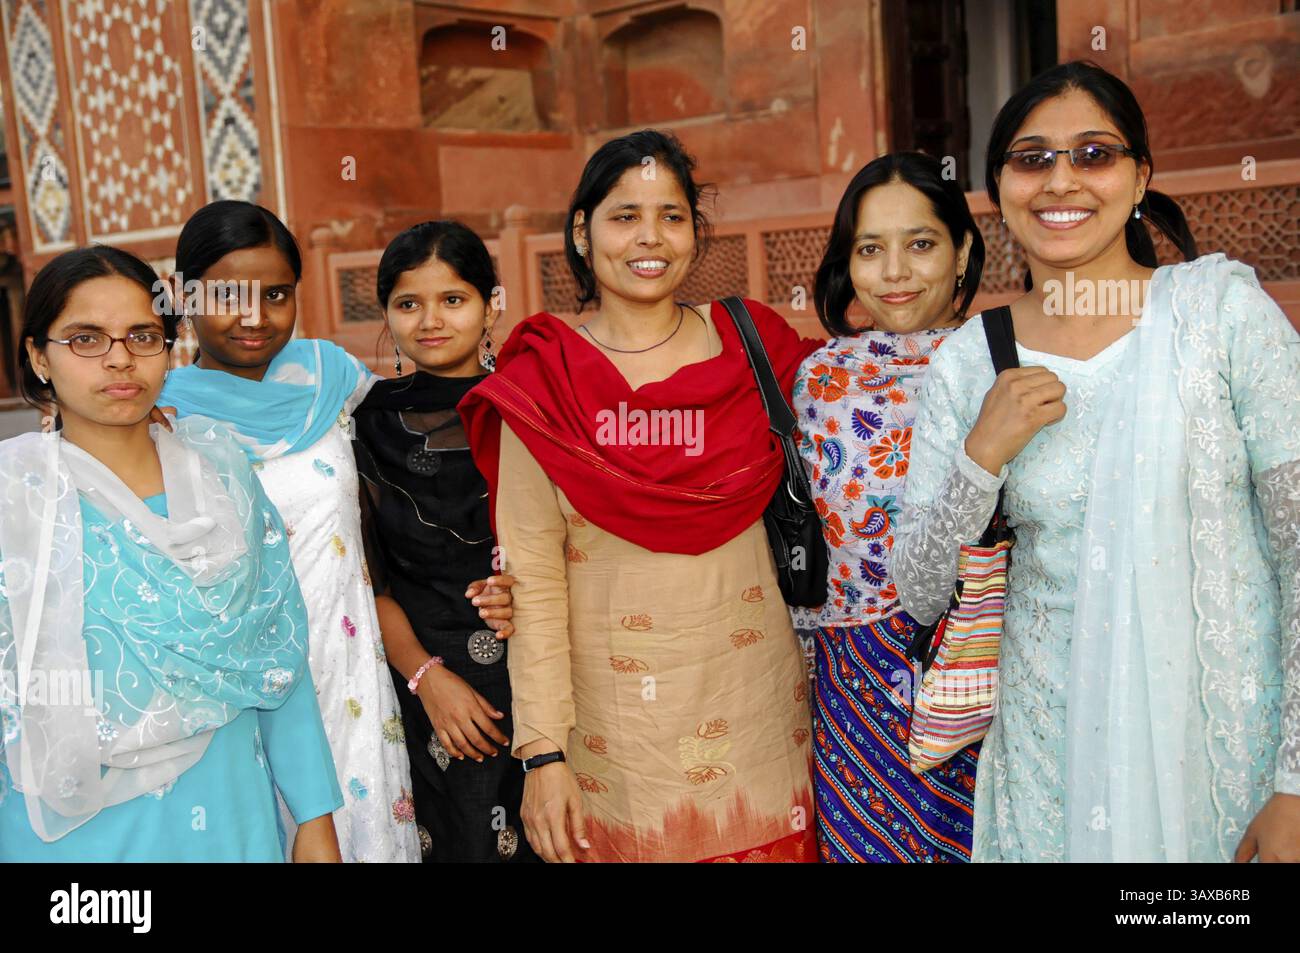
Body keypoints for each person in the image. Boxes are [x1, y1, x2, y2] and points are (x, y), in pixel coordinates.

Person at [893, 61, 1300, 862]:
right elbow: (919, 588)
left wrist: (1296, 778)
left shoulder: (1219, 317)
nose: (1060, 181)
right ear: (1000, 186)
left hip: (1225, 765)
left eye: (1093, 154)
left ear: (1140, 177)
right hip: (1052, 774)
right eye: (1031, 157)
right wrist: (981, 459)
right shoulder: (972, 360)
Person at [461, 129, 824, 863]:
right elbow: (532, 581)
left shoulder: (758, 347)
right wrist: (542, 755)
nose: (649, 238)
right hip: (617, 754)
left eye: (672, 215)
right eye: (624, 216)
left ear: (695, 230)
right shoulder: (543, 386)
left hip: (760, 724)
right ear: (581, 233)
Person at [159, 201, 514, 862]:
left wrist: (512, 572)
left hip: (350, 672)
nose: (253, 315)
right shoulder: (161, 413)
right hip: (235, 690)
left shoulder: (331, 379)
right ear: (183, 295)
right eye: (227, 294)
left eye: (275, 294)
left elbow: (437, 459)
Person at [0, 246, 342, 861]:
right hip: (73, 835)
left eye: (142, 335)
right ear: (37, 357)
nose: (119, 358)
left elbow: (277, 658)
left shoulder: (225, 478)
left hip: (230, 812)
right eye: (85, 339)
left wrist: (315, 818)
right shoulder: (14, 506)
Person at [794, 152, 985, 862]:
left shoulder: (1003, 362)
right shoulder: (820, 380)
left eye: (922, 243)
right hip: (853, 681)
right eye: (871, 249)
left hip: (984, 661)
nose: (895, 271)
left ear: (962, 252)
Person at [351, 220, 535, 862]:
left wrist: (527, 592)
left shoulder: (531, 406)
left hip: (540, 670)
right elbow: (367, 578)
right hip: (425, 684)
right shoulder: (367, 423)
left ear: (490, 304)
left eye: (452, 300)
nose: (430, 320)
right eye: (408, 304)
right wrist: (428, 679)